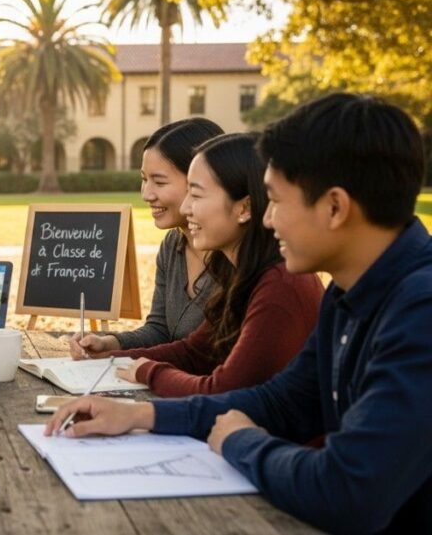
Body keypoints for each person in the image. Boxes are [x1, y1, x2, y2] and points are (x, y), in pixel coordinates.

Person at [46, 93, 432, 533]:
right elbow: (280, 401)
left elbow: (349, 490)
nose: (269, 221)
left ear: (335, 207)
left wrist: (241, 442)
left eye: (277, 201)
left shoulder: (419, 312)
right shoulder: (348, 293)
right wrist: (140, 416)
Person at [72, 133, 324, 397]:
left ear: (244, 208)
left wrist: (148, 372)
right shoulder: (237, 272)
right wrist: (109, 356)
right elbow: (195, 353)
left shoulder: (278, 287)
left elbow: (224, 391)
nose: (186, 207)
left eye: (196, 195)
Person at [70, 118, 223, 358]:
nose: (146, 194)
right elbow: (160, 330)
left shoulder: (237, 257)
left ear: (200, 181)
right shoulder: (173, 245)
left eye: (159, 182)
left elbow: (207, 357)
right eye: (144, 179)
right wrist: (110, 343)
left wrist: (131, 363)